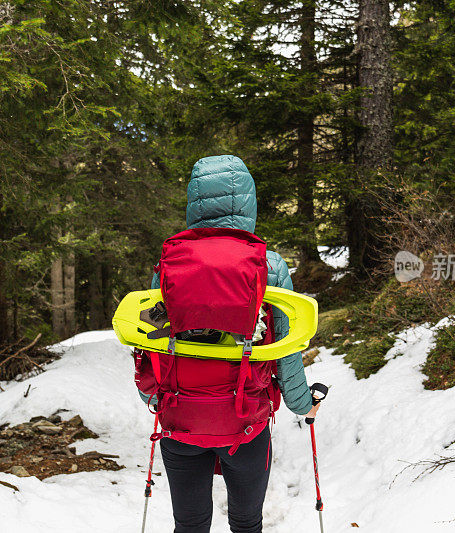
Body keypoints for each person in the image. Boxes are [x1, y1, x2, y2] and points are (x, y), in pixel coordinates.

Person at [136, 154, 320, 533]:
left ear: (195, 203)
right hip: (245, 422)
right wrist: (304, 404)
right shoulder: (269, 266)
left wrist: (154, 398)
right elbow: (285, 349)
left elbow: (149, 344)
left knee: (189, 526)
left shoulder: (168, 264)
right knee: (247, 523)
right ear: (248, 202)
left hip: (179, 417)